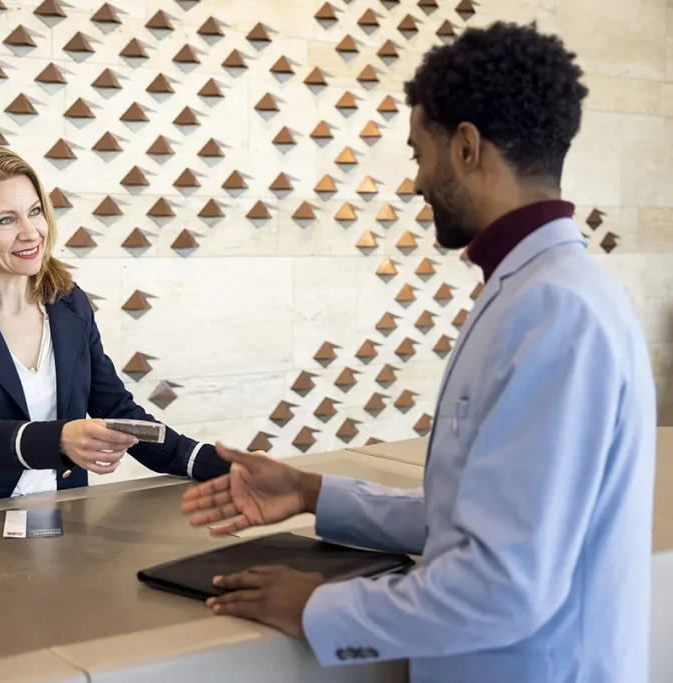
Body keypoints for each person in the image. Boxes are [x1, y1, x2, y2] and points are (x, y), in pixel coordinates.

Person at [181, 21, 655, 683]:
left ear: (465, 147)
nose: (416, 182)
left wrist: (318, 607)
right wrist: (312, 491)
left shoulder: (555, 313)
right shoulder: (532, 293)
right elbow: (473, 517)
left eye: (419, 154)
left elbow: (505, 583)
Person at [0, 144, 229, 509]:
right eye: (6, 220)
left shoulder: (69, 304)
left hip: (64, 518)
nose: (31, 233)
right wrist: (60, 438)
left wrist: (218, 464)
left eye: (35, 212)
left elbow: (122, 414)